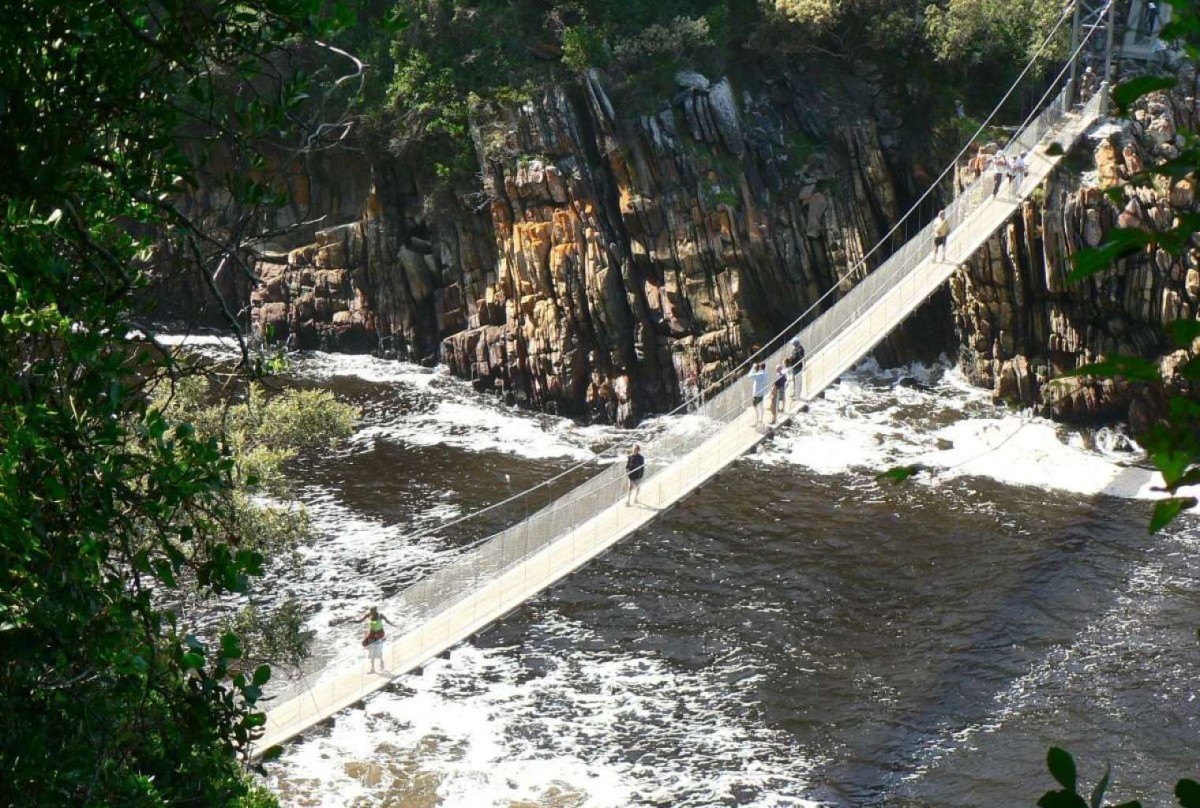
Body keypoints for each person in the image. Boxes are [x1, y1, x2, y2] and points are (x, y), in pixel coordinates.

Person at [356, 606, 394, 673]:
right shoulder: (369, 615)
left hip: (379, 634)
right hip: (373, 634)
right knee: (368, 647)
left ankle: (381, 664)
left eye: (372, 611)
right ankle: (373, 668)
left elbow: (387, 622)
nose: (371, 612)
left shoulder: (380, 616)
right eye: (371, 611)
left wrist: (394, 625)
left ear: (376, 611)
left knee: (377, 650)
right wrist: (350, 621)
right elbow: (360, 621)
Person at [749, 361, 769, 426]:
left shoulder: (758, 375)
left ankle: (757, 422)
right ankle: (761, 420)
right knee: (761, 406)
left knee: (755, 407)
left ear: (760, 367)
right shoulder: (765, 374)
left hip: (756, 394)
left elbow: (749, 376)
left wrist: (753, 368)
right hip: (761, 393)